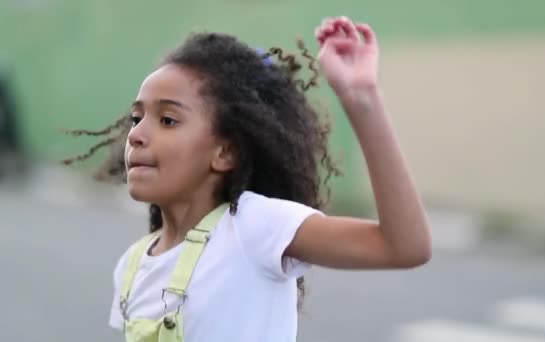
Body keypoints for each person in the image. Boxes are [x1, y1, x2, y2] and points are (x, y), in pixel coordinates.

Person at [63, 16, 431, 342]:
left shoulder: (253, 228)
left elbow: (403, 247)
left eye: (168, 120)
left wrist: (361, 99)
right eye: (136, 118)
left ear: (226, 152)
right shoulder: (131, 267)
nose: (138, 134)